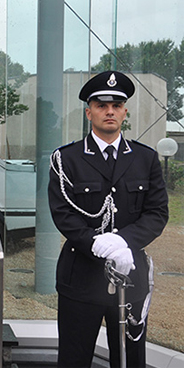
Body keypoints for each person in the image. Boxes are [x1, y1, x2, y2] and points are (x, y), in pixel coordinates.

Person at [48, 71, 168, 368]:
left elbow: (157, 213)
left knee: (130, 362)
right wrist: (100, 244)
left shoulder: (145, 158)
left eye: (116, 105)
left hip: (130, 276)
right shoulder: (67, 159)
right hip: (82, 277)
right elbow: (63, 213)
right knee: (74, 361)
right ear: (89, 112)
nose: (109, 111)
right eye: (101, 105)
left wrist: (123, 242)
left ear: (125, 112)